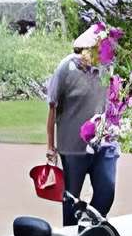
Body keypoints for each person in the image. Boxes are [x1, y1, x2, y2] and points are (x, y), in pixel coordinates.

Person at [40, 28, 119, 224]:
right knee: (71, 199)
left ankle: (89, 229)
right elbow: (53, 106)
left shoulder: (106, 68)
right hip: (73, 147)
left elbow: (112, 100)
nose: (104, 53)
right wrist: (51, 146)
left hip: (104, 143)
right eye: (99, 49)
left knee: (106, 193)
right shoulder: (66, 68)